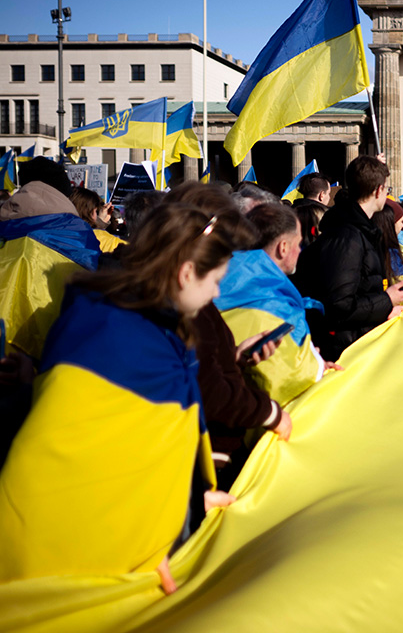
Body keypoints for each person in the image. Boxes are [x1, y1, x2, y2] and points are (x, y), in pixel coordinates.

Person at [0, 204, 242, 593]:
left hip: (46, 536)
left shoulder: (109, 310)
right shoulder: (141, 341)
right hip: (71, 560)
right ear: (185, 274)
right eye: (215, 280)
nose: (217, 292)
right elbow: (112, 470)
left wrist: (190, 505)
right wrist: (154, 537)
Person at [165, 182, 291, 485]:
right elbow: (206, 390)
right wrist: (270, 413)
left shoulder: (186, 305)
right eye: (216, 277)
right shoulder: (175, 312)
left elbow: (200, 367)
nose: (219, 290)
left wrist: (234, 357)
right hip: (198, 463)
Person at [217, 203, 334, 410]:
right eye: (298, 243)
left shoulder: (214, 280)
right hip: (264, 422)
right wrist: (314, 363)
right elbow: (285, 379)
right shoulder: (276, 302)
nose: (300, 249)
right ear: (283, 248)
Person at [295, 156, 403, 361]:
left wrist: (384, 309)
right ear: (378, 190)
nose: (387, 194)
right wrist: (387, 300)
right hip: (345, 352)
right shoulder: (348, 237)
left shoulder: (357, 230)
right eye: (386, 189)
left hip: (354, 343)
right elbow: (339, 306)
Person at [70, 186, 124, 253]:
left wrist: (100, 223)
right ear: (89, 213)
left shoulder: (59, 233)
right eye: (96, 211)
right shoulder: (112, 242)